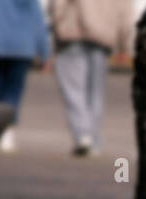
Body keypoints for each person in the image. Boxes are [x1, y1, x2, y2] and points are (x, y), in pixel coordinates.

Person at [50, 0, 134, 156]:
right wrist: (124, 44)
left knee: (74, 89)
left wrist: (56, 23)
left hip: (73, 32)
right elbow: (126, 13)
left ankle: (83, 134)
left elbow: (58, 5)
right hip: (103, 36)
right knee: (95, 92)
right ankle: (93, 137)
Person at [0, 0, 51, 152]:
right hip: (22, 47)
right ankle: (7, 132)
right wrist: (44, 53)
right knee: (13, 93)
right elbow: (38, 20)